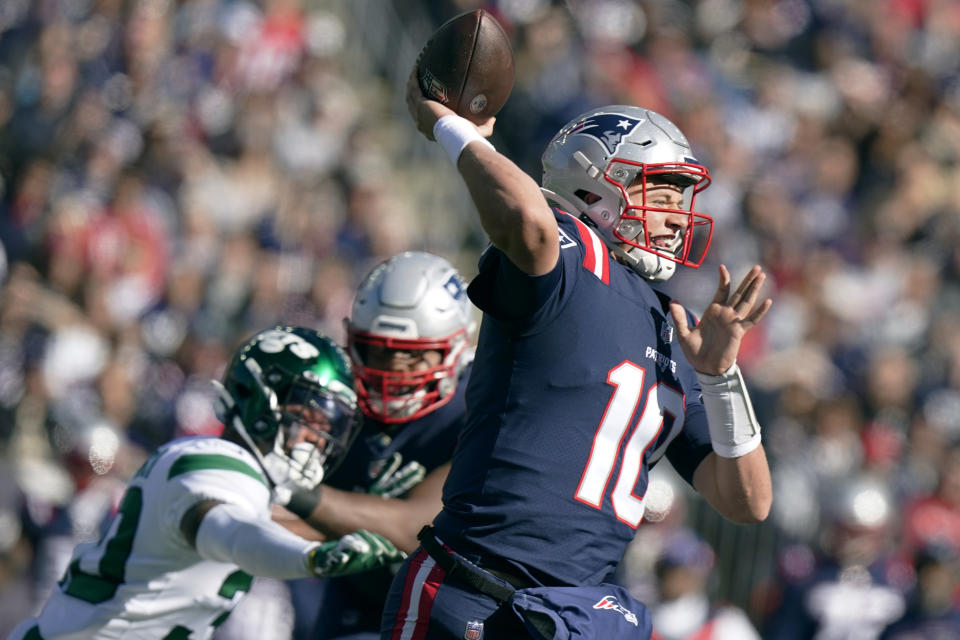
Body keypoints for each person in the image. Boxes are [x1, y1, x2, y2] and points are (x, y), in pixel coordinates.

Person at [379, 65, 773, 639]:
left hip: (569, 619)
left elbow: (747, 501)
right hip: (471, 592)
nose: (675, 214)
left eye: (682, 196)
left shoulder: (666, 326)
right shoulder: (571, 255)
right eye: (661, 191)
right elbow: (527, 223)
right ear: (594, 184)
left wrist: (722, 378)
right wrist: (451, 125)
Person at [7, 326, 404, 640]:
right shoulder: (218, 465)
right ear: (257, 398)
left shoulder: (239, 475)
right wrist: (310, 559)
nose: (320, 438)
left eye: (329, 425)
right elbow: (231, 531)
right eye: (309, 417)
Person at [278, 252, 476, 639]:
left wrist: (293, 493)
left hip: (446, 606)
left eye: (412, 356)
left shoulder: (480, 410)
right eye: (379, 350)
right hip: (354, 597)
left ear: (455, 350)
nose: (392, 370)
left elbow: (417, 526)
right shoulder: (336, 401)